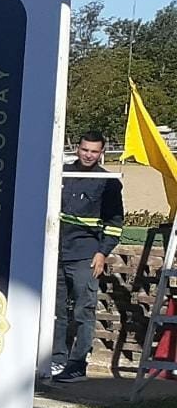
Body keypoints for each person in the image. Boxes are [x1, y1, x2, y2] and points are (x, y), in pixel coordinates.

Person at [52, 131, 124, 383]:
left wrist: (102, 253)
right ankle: (56, 359)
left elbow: (115, 223)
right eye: (85, 149)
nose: (88, 155)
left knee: (84, 310)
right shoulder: (60, 174)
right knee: (56, 310)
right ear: (78, 148)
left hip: (86, 256)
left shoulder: (108, 182)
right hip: (55, 253)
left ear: (101, 152)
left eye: (94, 151)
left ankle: (77, 364)